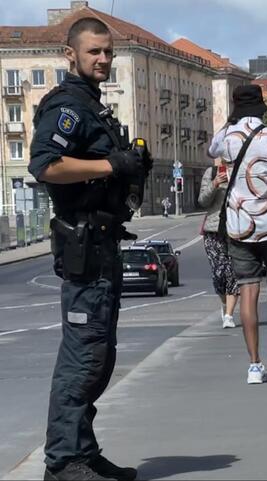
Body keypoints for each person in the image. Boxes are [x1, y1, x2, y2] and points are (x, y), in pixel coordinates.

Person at [29, 17, 151, 481]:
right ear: (70, 54)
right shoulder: (66, 107)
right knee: (83, 358)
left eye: (107, 51)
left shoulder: (92, 107)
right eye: (94, 51)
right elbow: (45, 165)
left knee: (99, 356)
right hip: (83, 244)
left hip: (102, 242)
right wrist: (109, 163)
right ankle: (63, 462)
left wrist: (129, 167)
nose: (103, 59)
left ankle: (82, 449)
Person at [209, 84, 267, 384]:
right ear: (261, 107)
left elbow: (212, 148)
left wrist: (230, 120)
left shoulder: (228, 139)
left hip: (239, 227)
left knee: (248, 291)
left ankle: (254, 365)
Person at [198, 157, 240, 329]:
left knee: (233, 273)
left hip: (236, 229)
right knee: (219, 273)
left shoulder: (242, 171)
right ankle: (224, 304)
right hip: (214, 231)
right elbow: (203, 201)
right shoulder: (212, 172)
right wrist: (215, 183)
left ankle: (229, 315)